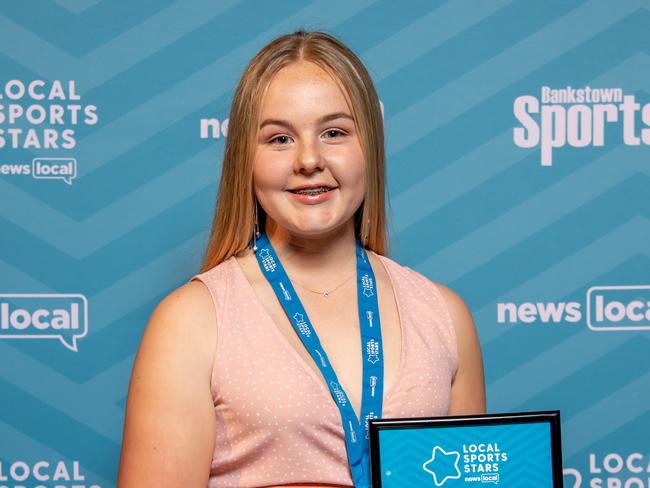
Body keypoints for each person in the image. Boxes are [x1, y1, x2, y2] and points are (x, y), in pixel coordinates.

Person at [117, 29, 485, 488]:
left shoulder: (443, 316)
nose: (309, 160)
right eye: (278, 139)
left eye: (334, 132)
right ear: (243, 160)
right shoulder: (192, 321)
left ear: (369, 146)